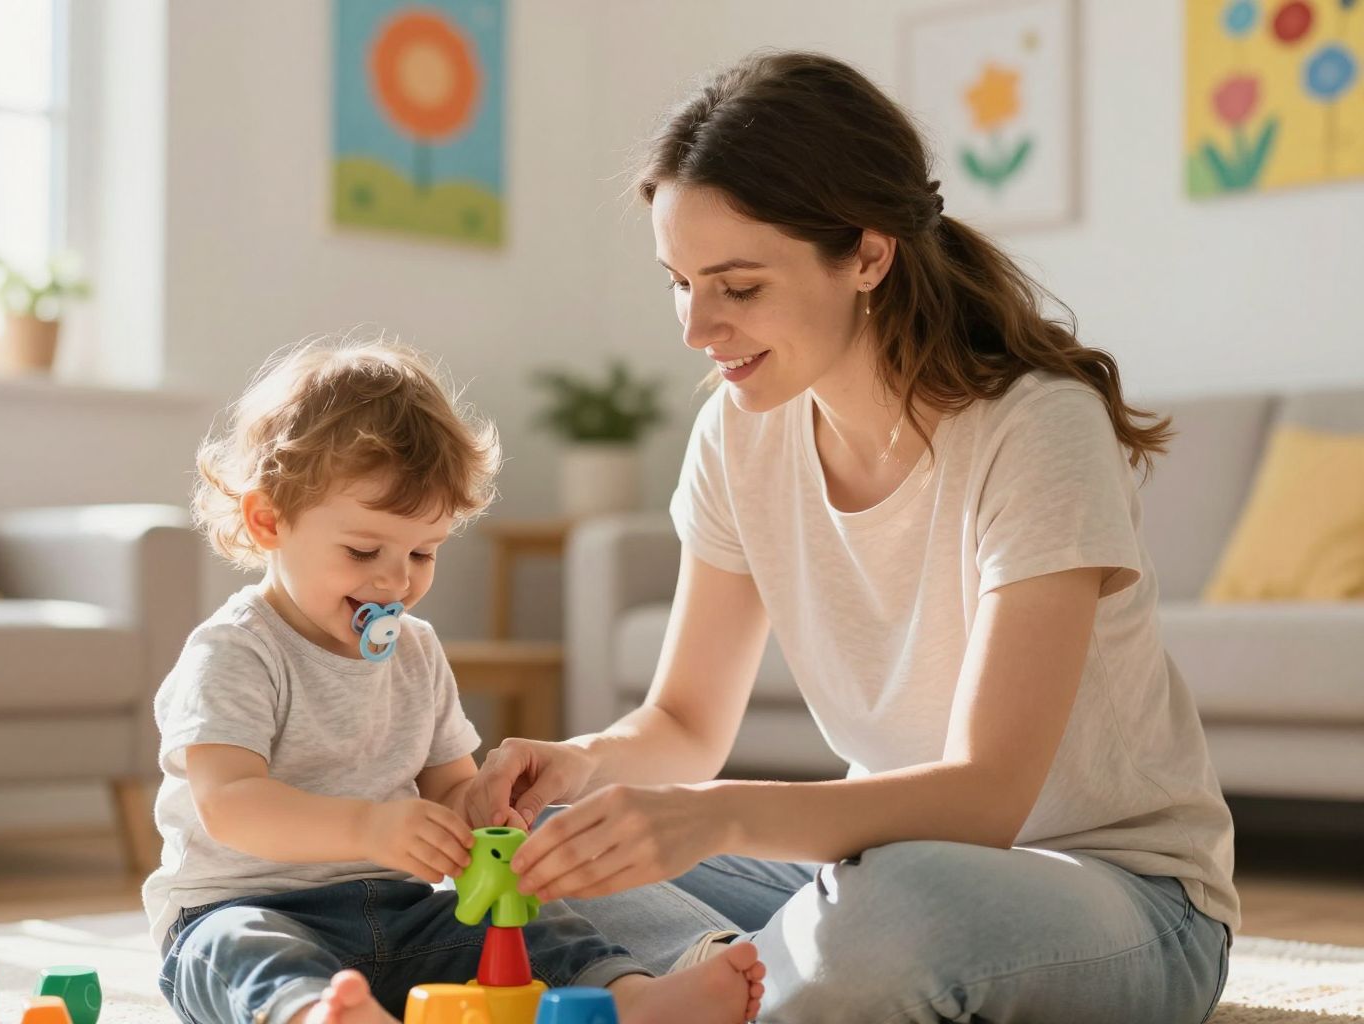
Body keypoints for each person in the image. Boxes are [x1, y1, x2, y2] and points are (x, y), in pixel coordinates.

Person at [464, 51, 1236, 1023]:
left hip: (1118, 894)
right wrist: (580, 763)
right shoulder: (738, 431)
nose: (698, 327)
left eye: (737, 286)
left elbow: (988, 798)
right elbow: (685, 726)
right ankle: (717, 984)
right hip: (874, 868)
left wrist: (720, 815)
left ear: (869, 255)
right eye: (679, 282)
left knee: (888, 919)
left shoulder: (1037, 428)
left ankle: (734, 978)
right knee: (546, 853)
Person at [145, 337, 765, 1024]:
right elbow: (230, 803)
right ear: (269, 521)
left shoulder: (415, 651)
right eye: (362, 550)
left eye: (422, 552)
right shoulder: (236, 651)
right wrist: (367, 827)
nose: (395, 580)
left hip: (397, 912)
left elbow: (447, 787)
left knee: (537, 928)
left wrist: (484, 815)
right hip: (246, 906)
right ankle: (312, 1012)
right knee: (238, 953)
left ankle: (631, 998)